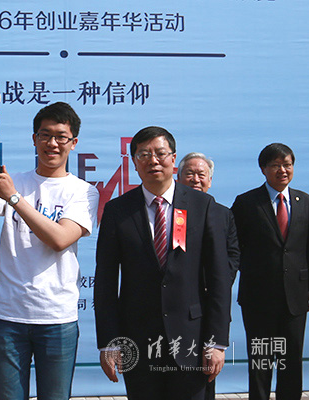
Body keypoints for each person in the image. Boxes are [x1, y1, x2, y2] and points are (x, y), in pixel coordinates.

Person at [0, 102, 98, 399]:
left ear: (73, 143)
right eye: (45, 135)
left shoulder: (83, 191)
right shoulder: (18, 181)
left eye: (61, 137)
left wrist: (13, 198)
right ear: (34, 139)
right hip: (7, 316)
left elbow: (60, 239)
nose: (52, 143)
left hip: (56, 318)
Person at [94, 127, 232, 400]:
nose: (153, 161)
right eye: (144, 154)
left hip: (192, 339)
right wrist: (109, 342)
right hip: (138, 339)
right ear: (134, 162)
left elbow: (218, 277)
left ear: (173, 158)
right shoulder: (117, 210)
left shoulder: (202, 205)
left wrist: (217, 341)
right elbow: (106, 281)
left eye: (160, 153)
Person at [231, 143, 308, 400]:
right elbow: (234, 247)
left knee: (291, 362)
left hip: (295, 298)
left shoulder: (305, 202)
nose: (282, 170)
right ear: (263, 169)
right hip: (258, 299)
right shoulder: (247, 203)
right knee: (261, 362)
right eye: (275, 165)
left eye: (287, 165)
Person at [178, 152, 240, 400]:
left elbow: (233, 255)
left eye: (201, 174)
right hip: (179, 305)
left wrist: (216, 282)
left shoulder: (223, 213)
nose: (196, 179)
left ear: (210, 180)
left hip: (210, 306)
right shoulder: (173, 212)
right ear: (178, 177)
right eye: (189, 174)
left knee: (204, 378)